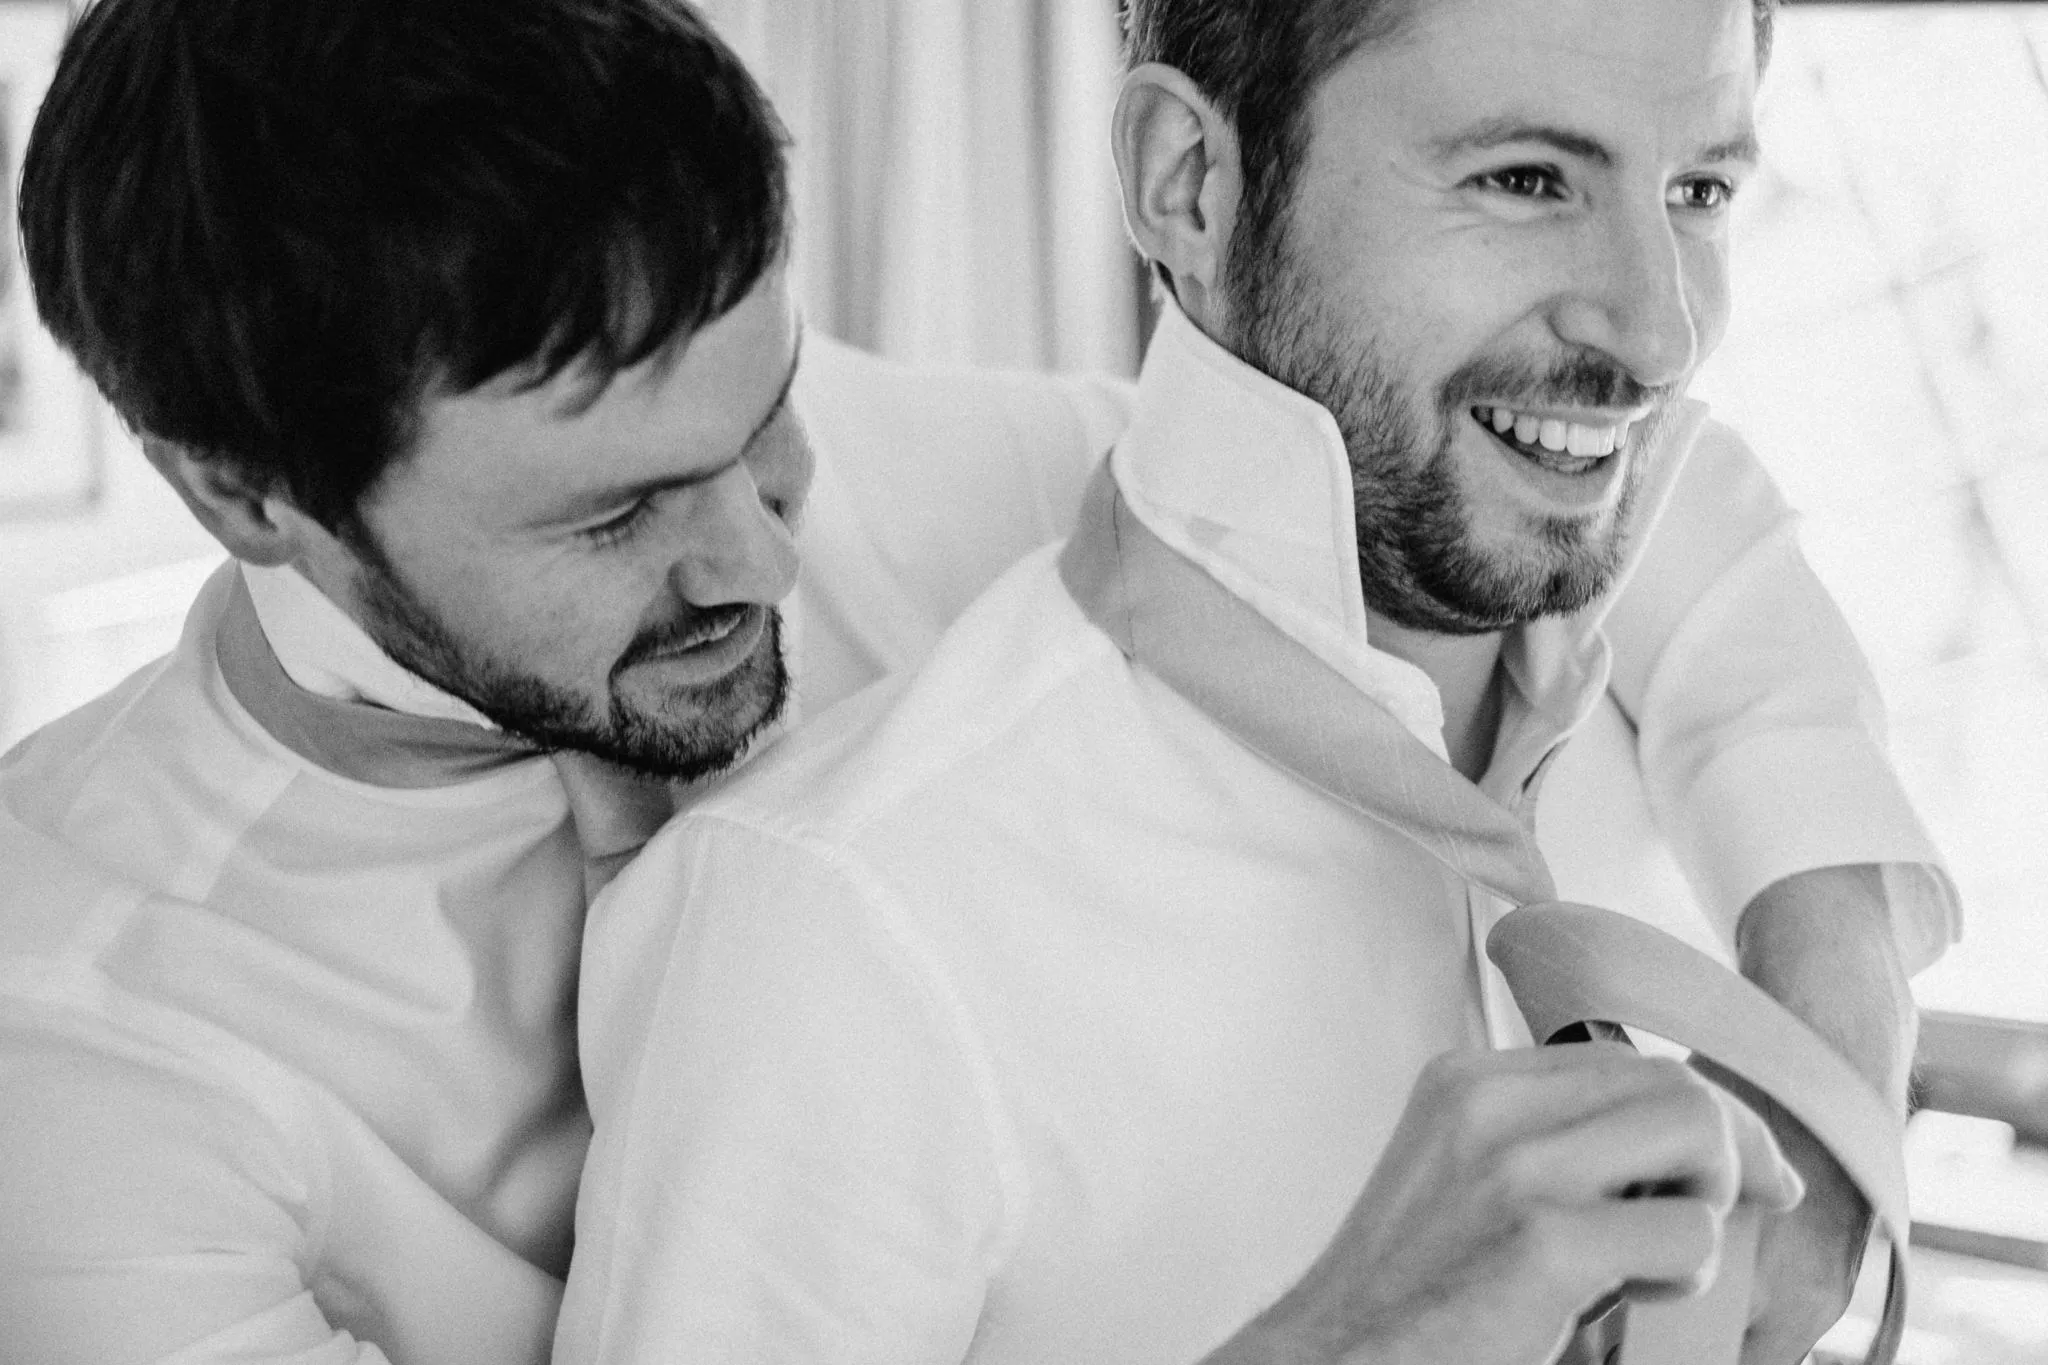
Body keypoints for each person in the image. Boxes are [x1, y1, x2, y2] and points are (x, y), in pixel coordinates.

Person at [0, 0, 1945, 1363]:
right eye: (618, 521)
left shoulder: (970, 493)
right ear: (240, 492)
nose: (769, 555)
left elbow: (1599, 479)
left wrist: (1832, 1069)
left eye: (767, 427)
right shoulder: (71, 1061)